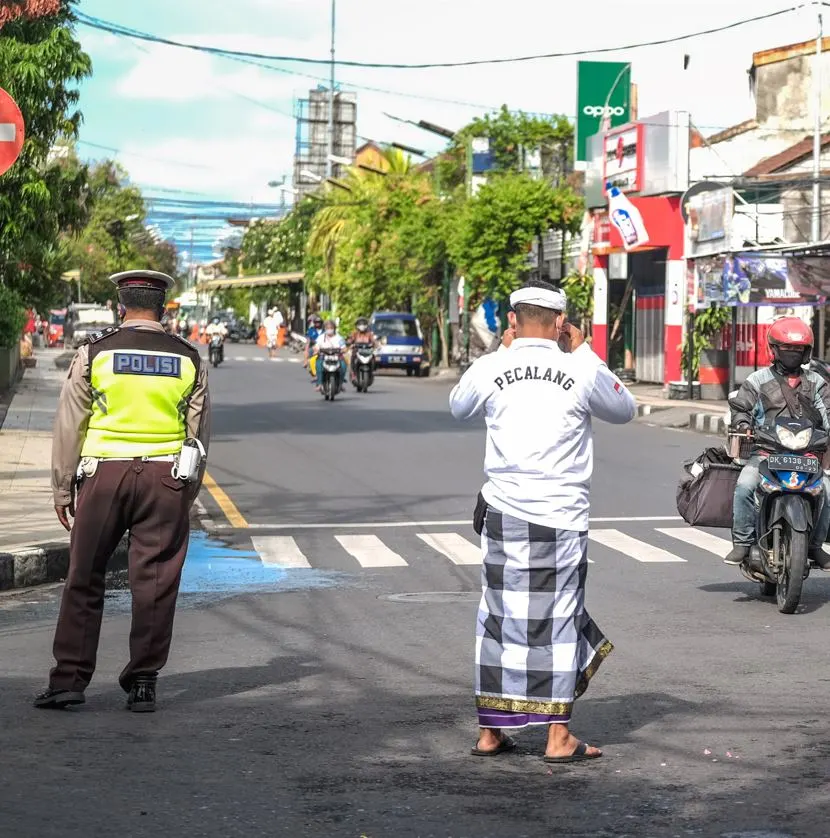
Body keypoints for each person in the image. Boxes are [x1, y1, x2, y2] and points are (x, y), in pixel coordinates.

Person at [449, 280, 636, 764]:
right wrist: (586, 352)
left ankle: (491, 731)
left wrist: (497, 353)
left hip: (504, 515)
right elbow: (624, 409)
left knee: (498, 619)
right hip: (560, 518)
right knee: (559, 623)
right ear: (560, 324)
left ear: (512, 321)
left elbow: (458, 405)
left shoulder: (493, 367)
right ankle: (557, 738)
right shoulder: (578, 368)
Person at [35, 269, 211, 713]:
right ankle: (144, 682)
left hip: (102, 477)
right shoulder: (187, 357)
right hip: (165, 480)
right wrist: (185, 493)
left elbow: (69, 424)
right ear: (163, 308)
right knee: (155, 582)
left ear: (120, 305)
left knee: (84, 575)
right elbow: (198, 436)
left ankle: (69, 681)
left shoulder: (94, 353)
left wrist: (61, 488)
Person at [725, 316, 830, 569]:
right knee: (744, 486)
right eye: (787, 348)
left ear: (806, 353)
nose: (792, 354)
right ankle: (742, 543)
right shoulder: (757, 380)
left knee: (827, 490)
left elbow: (827, 411)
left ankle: (815, 546)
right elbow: (741, 407)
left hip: (807, 455)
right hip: (766, 452)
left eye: (798, 349)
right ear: (774, 350)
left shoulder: (817, 383)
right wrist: (742, 423)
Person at [313, 319, 347, 391]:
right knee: (318, 365)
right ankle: (320, 384)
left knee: (343, 366)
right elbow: (316, 346)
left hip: (336, 357)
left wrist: (342, 351)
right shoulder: (321, 337)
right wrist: (316, 350)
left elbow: (344, 348)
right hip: (323, 356)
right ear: (324, 328)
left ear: (334, 328)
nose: (329, 330)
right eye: (327, 328)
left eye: (331, 328)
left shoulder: (339, 338)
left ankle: (340, 384)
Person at [346, 316, 377, 384]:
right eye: (360, 324)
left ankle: (372, 372)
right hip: (357, 351)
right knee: (353, 357)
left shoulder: (369, 334)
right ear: (357, 325)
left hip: (367, 352)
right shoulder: (354, 333)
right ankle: (353, 373)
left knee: (373, 357)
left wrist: (376, 345)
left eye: (363, 324)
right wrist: (350, 343)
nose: (362, 326)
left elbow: (374, 342)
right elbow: (350, 340)